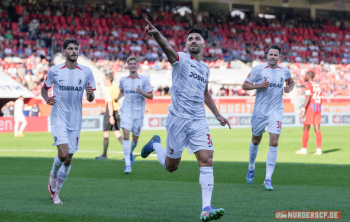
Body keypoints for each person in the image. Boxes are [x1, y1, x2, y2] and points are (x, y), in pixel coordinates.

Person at [140, 20, 230, 221]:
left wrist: (217, 114)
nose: (193, 41)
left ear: (203, 43)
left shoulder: (206, 69)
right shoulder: (180, 59)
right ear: (187, 44)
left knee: (206, 159)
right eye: (190, 39)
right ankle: (155, 144)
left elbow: (205, 93)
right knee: (172, 167)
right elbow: (167, 47)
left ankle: (206, 208)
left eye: (197, 38)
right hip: (178, 120)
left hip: (198, 120)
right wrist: (156, 34)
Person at [41, 38, 96, 204]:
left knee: (69, 158)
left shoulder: (86, 71)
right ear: (64, 51)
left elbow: (91, 97)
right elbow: (44, 89)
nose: (74, 51)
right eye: (70, 49)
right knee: (63, 154)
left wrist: (90, 94)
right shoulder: (55, 70)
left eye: (76, 49)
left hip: (75, 119)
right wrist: (46, 98)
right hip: (58, 116)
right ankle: (53, 176)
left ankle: (57, 188)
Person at [242, 45, 294, 191]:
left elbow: (291, 82)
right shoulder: (258, 69)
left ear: (279, 57)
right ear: (267, 55)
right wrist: (259, 85)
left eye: (275, 55)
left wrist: (289, 88)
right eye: (270, 54)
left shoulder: (284, 70)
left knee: (274, 142)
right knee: (255, 140)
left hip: (276, 111)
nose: (272, 57)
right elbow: (245, 85)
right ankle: (251, 167)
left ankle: (267, 179)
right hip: (260, 111)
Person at [114, 56, 153, 174]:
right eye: (130, 63)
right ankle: (127, 165)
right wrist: (118, 98)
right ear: (127, 66)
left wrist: (142, 92)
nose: (132, 65)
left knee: (135, 138)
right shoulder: (123, 80)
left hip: (139, 113)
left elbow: (151, 96)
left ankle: (130, 152)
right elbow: (122, 91)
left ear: (137, 65)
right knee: (126, 136)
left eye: (134, 63)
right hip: (126, 112)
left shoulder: (144, 80)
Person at [95, 74, 123, 160]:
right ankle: (128, 152)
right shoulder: (116, 88)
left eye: (104, 79)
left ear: (108, 80)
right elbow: (121, 94)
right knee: (117, 133)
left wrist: (110, 116)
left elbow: (110, 102)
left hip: (110, 112)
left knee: (106, 133)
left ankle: (104, 155)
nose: (103, 81)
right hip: (117, 111)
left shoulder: (108, 90)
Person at [295, 71, 322, 155]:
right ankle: (319, 150)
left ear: (309, 76)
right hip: (318, 107)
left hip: (310, 108)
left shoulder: (308, 85)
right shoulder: (318, 85)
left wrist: (303, 109)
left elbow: (308, 98)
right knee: (317, 128)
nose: (304, 76)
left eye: (306, 75)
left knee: (306, 127)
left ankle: (304, 149)